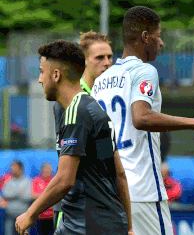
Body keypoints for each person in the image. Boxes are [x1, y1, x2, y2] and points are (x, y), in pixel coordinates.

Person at [91, 6, 194, 235]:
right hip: (141, 190)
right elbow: (141, 117)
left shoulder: (101, 80)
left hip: (109, 189)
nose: (161, 43)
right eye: (159, 36)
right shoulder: (144, 70)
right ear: (145, 37)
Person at [15, 40, 133, 235]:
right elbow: (119, 173)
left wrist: (30, 213)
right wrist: (128, 226)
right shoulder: (93, 108)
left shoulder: (75, 113)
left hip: (85, 225)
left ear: (56, 75)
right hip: (110, 222)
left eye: (41, 71)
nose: (39, 79)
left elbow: (64, 180)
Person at [52, 31, 113, 228]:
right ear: (84, 61)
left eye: (110, 57)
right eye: (99, 57)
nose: (107, 63)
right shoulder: (70, 100)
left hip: (102, 204)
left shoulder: (104, 98)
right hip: (73, 207)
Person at [0, 160, 32, 235]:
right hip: (9, 215)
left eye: (15, 168)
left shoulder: (27, 181)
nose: (13, 170)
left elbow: (28, 197)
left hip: (23, 216)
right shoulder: (9, 181)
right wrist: (19, 193)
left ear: (20, 168)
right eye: (12, 168)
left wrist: (12, 195)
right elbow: (5, 194)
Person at [31, 163, 54, 235]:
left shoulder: (54, 180)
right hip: (40, 214)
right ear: (42, 170)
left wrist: (41, 196)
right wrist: (49, 195)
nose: (47, 171)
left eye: (48, 169)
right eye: (45, 169)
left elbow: (58, 195)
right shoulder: (36, 180)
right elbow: (33, 195)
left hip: (53, 215)